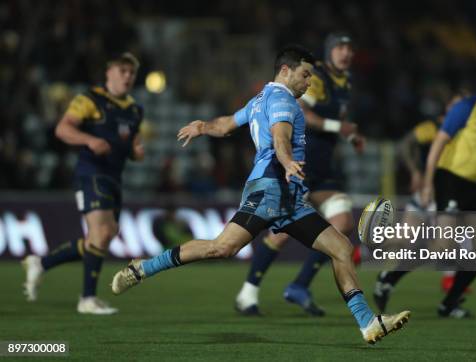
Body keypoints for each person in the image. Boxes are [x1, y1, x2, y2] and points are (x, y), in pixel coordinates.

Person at [110, 45, 409, 344]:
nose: (309, 83)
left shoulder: (260, 99)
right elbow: (280, 136)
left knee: (341, 249)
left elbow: (227, 124)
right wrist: (288, 161)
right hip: (270, 189)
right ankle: (142, 268)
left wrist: (202, 126)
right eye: (305, 75)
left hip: (288, 198)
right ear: (285, 71)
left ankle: (368, 323)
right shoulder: (282, 100)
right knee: (221, 248)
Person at [373, 59, 476, 318]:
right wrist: (428, 181)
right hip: (450, 178)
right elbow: (439, 144)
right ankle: (389, 278)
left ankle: (448, 304)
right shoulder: (466, 107)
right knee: (443, 245)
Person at [235, 33, 365, 317]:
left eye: (349, 48)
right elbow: (306, 114)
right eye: (340, 48)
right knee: (280, 234)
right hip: (298, 166)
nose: (345, 53)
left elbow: (332, 123)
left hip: (323, 167)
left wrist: (349, 135)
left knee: (342, 223)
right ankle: (248, 292)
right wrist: (336, 127)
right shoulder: (316, 79)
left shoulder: (346, 83)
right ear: (329, 52)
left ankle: (300, 285)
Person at [22, 52, 144, 315]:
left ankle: (41, 263)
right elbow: (63, 129)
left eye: (131, 73)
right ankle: (87, 299)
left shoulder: (135, 109)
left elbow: (132, 143)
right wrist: (89, 140)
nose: (127, 76)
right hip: (91, 173)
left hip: (114, 177)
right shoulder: (90, 99)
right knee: (100, 234)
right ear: (109, 72)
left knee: (103, 237)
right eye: (122, 71)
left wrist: (137, 150)